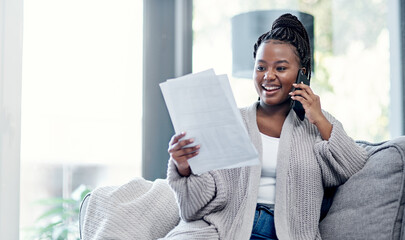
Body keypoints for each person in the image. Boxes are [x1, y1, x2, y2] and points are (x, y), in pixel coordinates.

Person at [163, 13, 368, 240]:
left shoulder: (316, 123)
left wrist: (318, 119)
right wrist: (184, 168)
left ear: (303, 74)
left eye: (280, 68)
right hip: (223, 231)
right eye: (260, 68)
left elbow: (353, 167)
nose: (268, 77)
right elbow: (193, 208)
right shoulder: (232, 122)